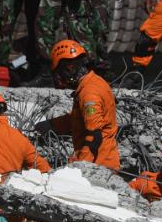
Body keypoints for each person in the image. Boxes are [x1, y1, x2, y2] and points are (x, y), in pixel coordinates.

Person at [38, 40, 120, 170]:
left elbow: (94, 136)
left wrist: (80, 167)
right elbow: (80, 119)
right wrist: (52, 125)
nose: (60, 79)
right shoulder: (93, 83)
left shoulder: (89, 93)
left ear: (69, 68)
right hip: (99, 162)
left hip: (98, 167)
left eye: (60, 73)